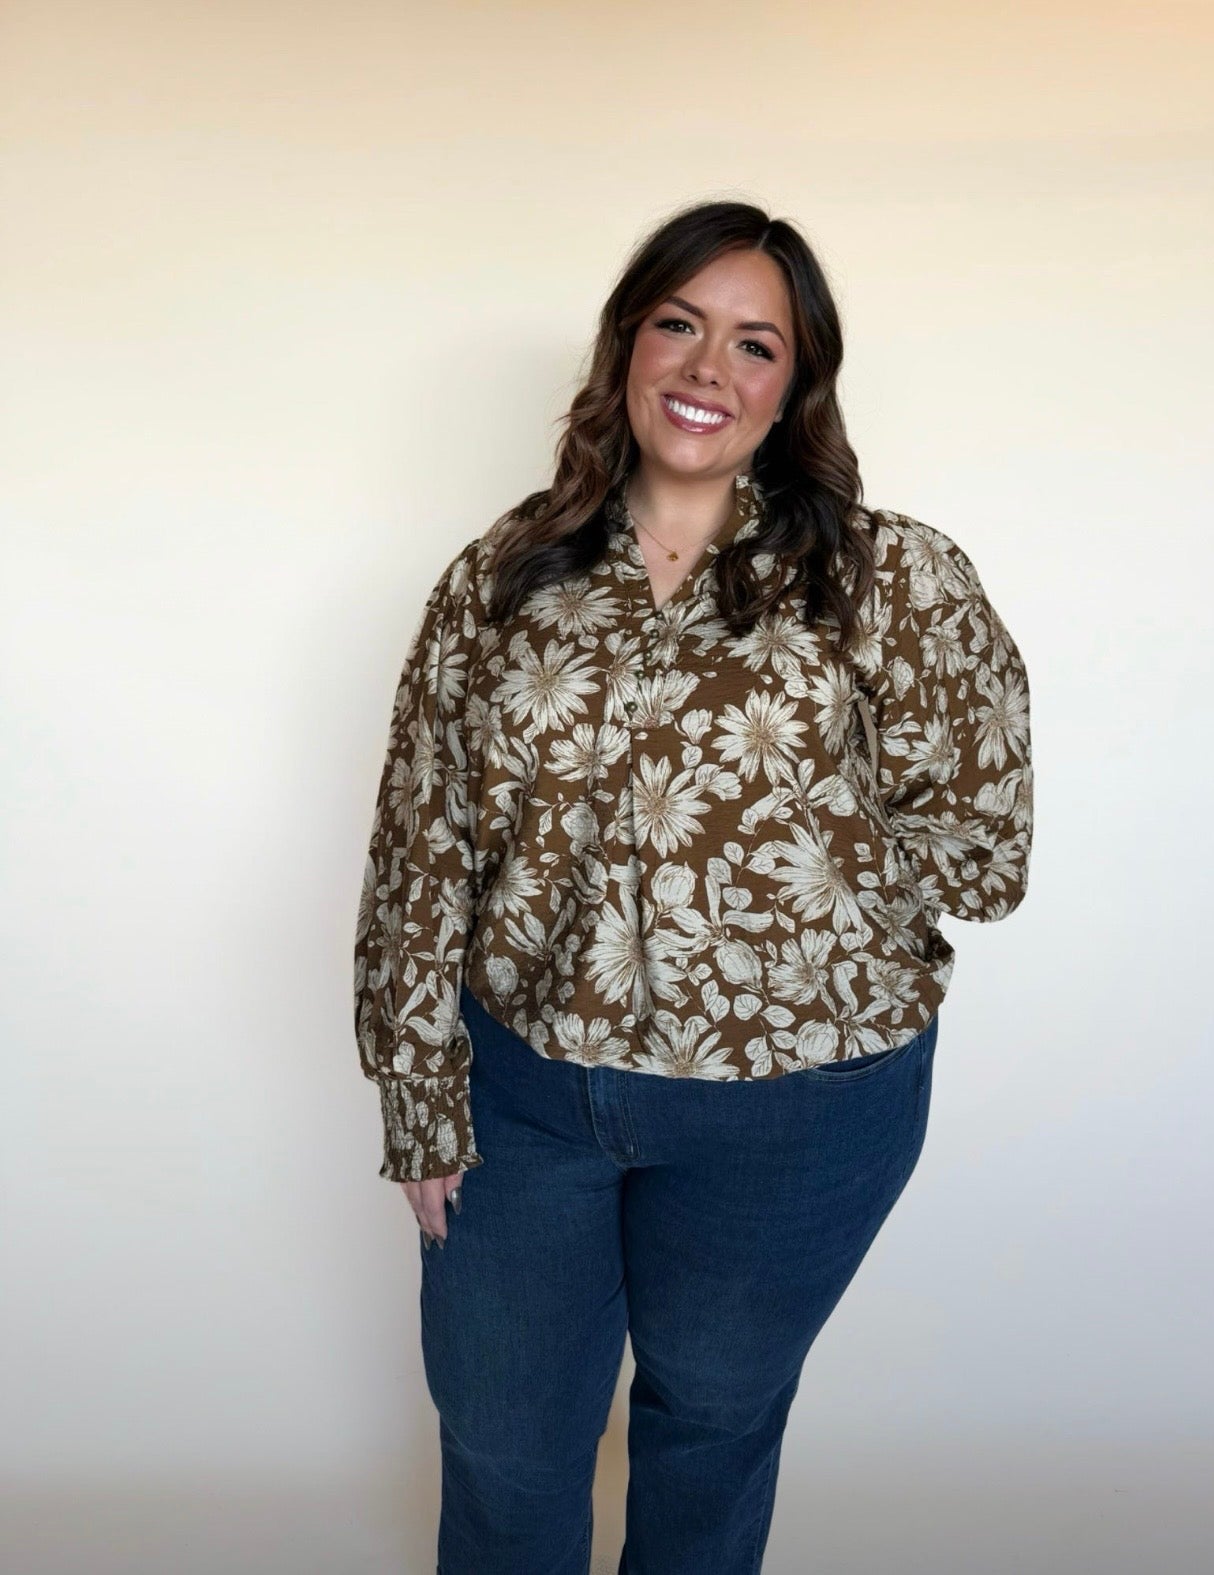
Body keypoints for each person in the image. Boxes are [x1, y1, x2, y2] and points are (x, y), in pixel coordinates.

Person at [353, 198, 1033, 1575]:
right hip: (524, 1096)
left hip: (792, 1115)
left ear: (794, 389)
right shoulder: (503, 576)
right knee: (501, 1443)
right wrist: (418, 1087)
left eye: (753, 344)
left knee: (708, 1426)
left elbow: (983, 849)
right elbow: (421, 839)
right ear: (622, 349)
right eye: (676, 324)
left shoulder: (886, 576)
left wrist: (783, 879)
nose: (705, 369)